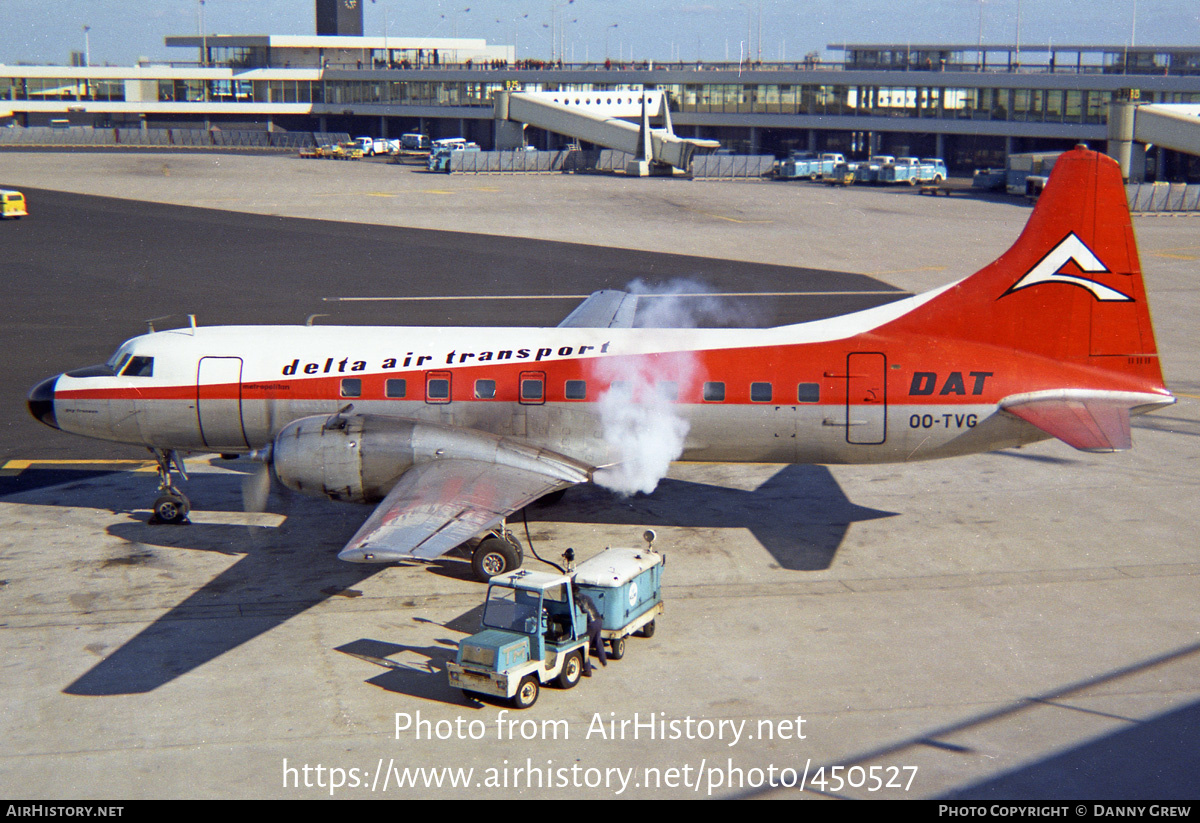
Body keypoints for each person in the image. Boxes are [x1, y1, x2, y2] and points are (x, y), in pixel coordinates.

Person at [573, 585, 606, 675]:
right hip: (598, 620)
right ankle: (603, 659)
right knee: (598, 640)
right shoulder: (586, 596)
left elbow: (577, 614)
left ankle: (587, 669)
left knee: (584, 645)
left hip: (590, 624)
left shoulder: (575, 600)